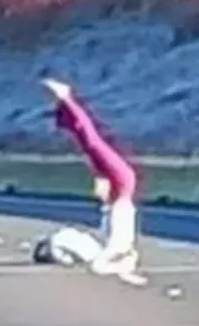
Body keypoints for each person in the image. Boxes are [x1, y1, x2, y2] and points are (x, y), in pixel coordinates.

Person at [41, 77, 141, 275]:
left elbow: (101, 263)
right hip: (121, 188)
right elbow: (103, 262)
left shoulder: (105, 248)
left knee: (91, 143)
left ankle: (66, 101)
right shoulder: (108, 248)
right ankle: (66, 102)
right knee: (91, 143)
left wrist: (101, 176)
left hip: (121, 188)